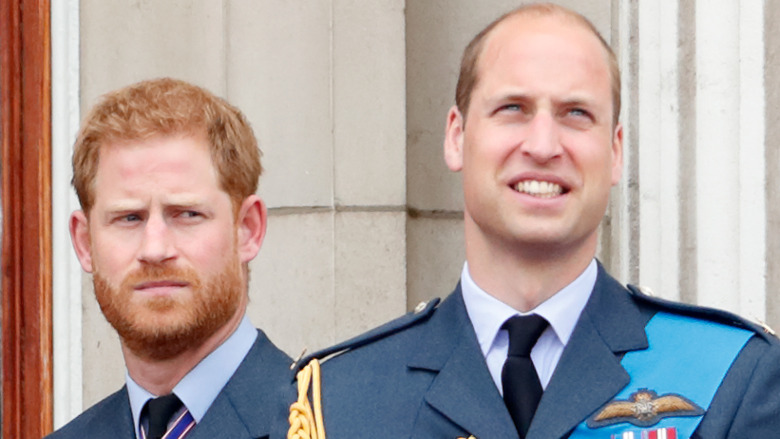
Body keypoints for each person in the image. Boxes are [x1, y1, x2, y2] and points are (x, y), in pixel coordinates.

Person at [287, 4, 780, 439]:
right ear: (457, 137)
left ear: (615, 152)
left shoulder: (730, 377)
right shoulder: (343, 399)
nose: (543, 145)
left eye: (576, 113)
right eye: (513, 109)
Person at [47, 78, 292, 439]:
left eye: (186, 214)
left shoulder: (338, 426)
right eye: (129, 218)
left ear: (248, 230)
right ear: (84, 243)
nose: (155, 249)